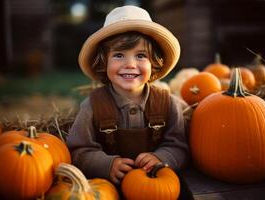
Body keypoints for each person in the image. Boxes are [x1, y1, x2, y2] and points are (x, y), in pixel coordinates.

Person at [67, 5, 189, 189]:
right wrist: (106, 165)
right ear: (103, 62)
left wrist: (162, 158)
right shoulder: (92, 106)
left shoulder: (168, 103)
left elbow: (179, 146)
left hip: (157, 186)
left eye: (140, 55)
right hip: (109, 187)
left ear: (154, 62)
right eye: (118, 55)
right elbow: (79, 150)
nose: (130, 64)